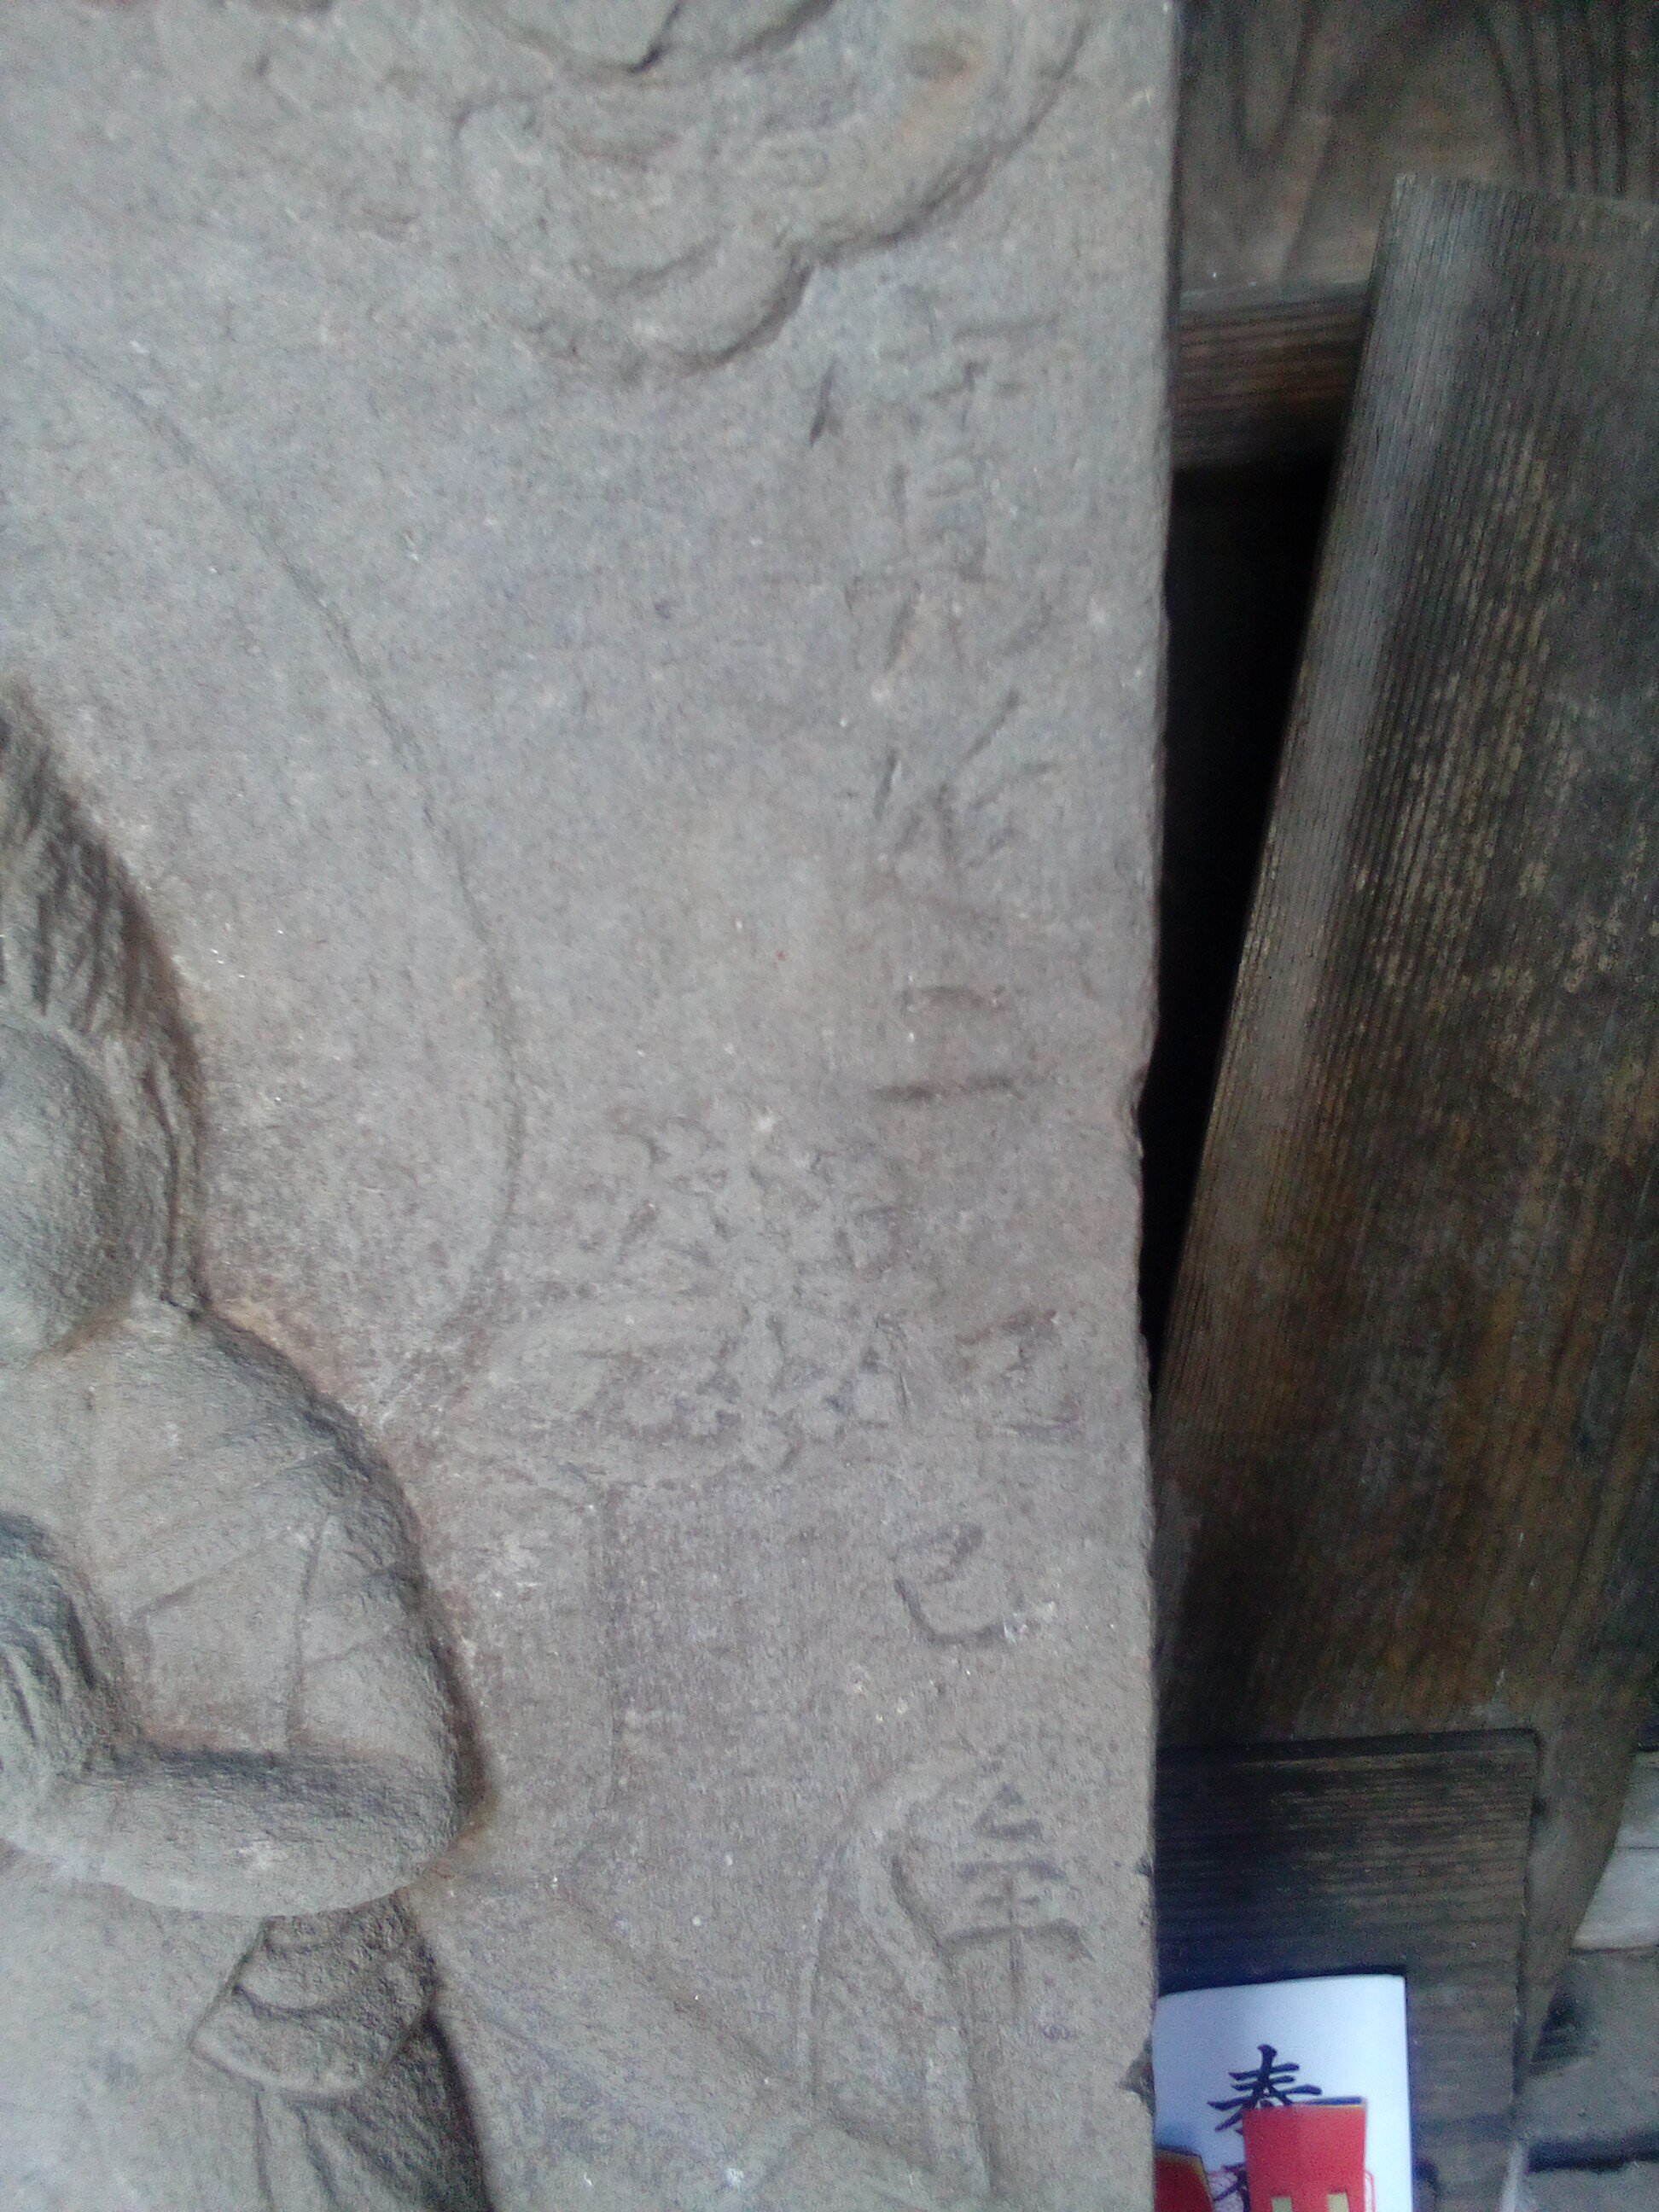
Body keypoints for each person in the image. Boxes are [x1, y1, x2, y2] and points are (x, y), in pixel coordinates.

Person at [0, 699, 490, 2211]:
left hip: (252, 2079)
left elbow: (404, 1796)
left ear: (134, 1122)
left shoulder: (235, 1442)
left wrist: (96, 1803)